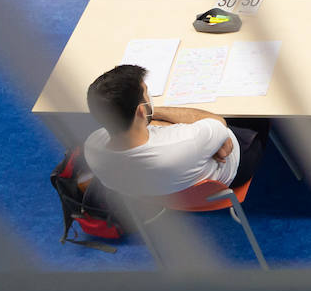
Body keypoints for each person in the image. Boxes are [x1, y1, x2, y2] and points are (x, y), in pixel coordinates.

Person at [83, 64, 266, 197]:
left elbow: (153, 131)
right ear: (140, 110)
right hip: (234, 166)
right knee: (257, 112)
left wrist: (150, 117)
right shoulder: (185, 142)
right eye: (146, 91)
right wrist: (155, 112)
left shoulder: (92, 147)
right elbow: (217, 121)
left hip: (163, 195)